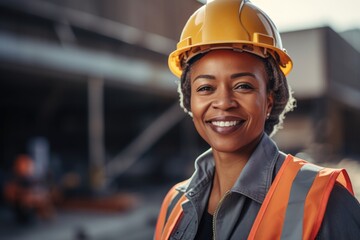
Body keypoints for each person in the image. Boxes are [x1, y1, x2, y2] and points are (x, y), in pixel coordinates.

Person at [154, 0, 360, 239]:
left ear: (269, 101)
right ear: (189, 101)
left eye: (243, 86)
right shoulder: (174, 203)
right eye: (206, 88)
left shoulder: (323, 200)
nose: (223, 102)